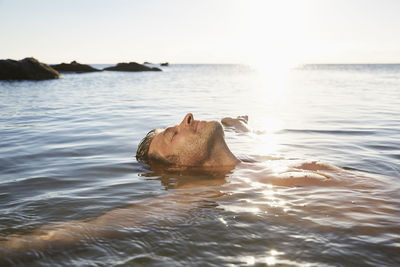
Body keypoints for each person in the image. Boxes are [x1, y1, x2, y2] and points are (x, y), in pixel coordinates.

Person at [136, 113, 249, 168]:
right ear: (175, 168)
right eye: (173, 134)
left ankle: (239, 123)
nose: (188, 116)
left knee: (249, 134)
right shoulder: (190, 197)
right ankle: (238, 123)